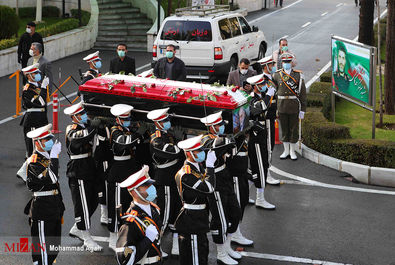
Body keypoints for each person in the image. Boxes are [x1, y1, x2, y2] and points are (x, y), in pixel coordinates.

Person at [200, 112, 242, 265]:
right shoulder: (205, 139)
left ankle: (228, 245)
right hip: (214, 180)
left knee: (235, 211)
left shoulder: (220, 138)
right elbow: (213, 146)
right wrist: (226, 140)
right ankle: (220, 252)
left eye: (221, 124)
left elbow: (229, 148)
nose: (221, 127)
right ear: (211, 127)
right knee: (220, 218)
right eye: (218, 125)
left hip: (224, 176)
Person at [64, 102, 103, 251]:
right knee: (82, 203)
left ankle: (77, 228)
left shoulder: (84, 126)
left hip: (89, 165)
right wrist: (94, 125)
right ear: (74, 117)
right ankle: (87, 238)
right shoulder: (72, 129)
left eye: (84, 113)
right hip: (78, 168)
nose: (85, 116)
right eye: (82, 114)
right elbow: (83, 137)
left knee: (93, 199)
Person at [24, 124, 65, 265]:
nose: (49, 142)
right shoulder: (35, 161)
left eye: (50, 139)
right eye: (46, 140)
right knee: (43, 247)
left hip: (53, 204)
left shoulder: (46, 158)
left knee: (54, 245)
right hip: (42, 208)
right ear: (37, 143)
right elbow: (52, 178)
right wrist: (54, 156)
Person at [174, 135, 217, 265]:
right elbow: (209, 188)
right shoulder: (186, 174)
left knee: (202, 252)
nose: (202, 153)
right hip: (191, 220)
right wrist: (210, 167)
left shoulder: (197, 167)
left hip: (199, 218)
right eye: (199, 151)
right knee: (195, 257)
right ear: (189, 153)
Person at [147, 108, 183, 257]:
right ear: (157, 123)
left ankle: (175, 244)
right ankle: (155, 245)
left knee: (177, 211)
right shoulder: (156, 139)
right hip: (165, 179)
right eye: (164, 121)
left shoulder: (168, 135)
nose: (168, 123)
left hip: (174, 177)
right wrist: (181, 141)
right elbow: (174, 151)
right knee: (165, 214)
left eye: (168, 120)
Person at [107, 104, 143, 251]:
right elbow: (124, 143)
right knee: (117, 204)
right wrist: (138, 133)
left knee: (128, 202)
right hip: (118, 170)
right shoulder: (115, 130)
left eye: (128, 118)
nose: (128, 120)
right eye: (124, 119)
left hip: (130, 168)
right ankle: (112, 237)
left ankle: (127, 233)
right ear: (118, 120)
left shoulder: (127, 129)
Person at [116, 165, 162, 265]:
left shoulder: (154, 210)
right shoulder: (129, 223)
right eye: (146, 186)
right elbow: (125, 260)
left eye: (151, 185)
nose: (152, 188)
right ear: (135, 192)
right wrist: (147, 239)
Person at [246, 73, 277, 209]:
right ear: (256, 87)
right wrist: (269, 95)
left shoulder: (261, 97)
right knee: (259, 167)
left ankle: (246, 195)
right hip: (256, 139)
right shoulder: (252, 99)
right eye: (262, 84)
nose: (265, 86)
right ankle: (260, 198)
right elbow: (261, 107)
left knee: (259, 166)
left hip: (262, 136)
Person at [272, 53, 307, 160]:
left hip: (294, 106)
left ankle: (292, 151)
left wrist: (303, 110)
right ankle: (286, 150)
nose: (286, 64)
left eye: (288, 62)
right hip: (281, 106)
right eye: (284, 62)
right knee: (284, 129)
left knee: (293, 129)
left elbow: (302, 94)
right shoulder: (276, 75)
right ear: (281, 63)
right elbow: (273, 93)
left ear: (291, 63)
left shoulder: (298, 75)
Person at [257, 56, 281, 185]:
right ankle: (266, 173)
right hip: (266, 117)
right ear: (266, 66)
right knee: (268, 146)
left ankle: (266, 171)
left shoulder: (271, 79)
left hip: (271, 116)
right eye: (271, 65)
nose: (273, 67)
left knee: (270, 145)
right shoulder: (262, 80)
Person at [20, 63, 49, 158]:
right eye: (34, 73)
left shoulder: (38, 85)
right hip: (32, 120)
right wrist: (44, 88)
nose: (38, 74)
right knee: (33, 149)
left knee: (43, 146)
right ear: (28, 75)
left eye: (37, 72)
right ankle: (29, 169)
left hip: (41, 119)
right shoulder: (28, 89)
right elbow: (41, 102)